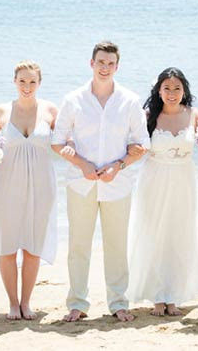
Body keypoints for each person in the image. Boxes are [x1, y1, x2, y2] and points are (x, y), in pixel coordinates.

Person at [51, 41, 150, 322]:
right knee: (78, 245)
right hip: (80, 184)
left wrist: (119, 166)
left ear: (117, 67)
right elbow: (57, 142)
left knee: (116, 246)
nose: (105, 68)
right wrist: (81, 163)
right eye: (100, 62)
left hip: (117, 185)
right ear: (91, 63)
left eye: (110, 64)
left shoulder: (129, 101)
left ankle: (118, 302)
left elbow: (143, 143)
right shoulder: (73, 99)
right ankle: (78, 303)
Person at [0, 60, 59, 320]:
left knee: (33, 247)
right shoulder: (1, 112)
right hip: (7, 187)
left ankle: (26, 303)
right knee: (8, 246)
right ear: (14, 81)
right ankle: (12, 303)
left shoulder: (51, 111)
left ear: (40, 83)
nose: (27, 86)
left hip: (41, 187)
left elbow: (67, 144)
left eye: (32, 81)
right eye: (22, 81)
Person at [127, 67, 198, 317]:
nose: (172, 93)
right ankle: (158, 296)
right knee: (154, 233)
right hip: (154, 180)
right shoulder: (148, 116)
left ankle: (174, 295)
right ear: (158, 90)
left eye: (177, 88)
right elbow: (130, 146)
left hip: (184, 180)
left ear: (184, 91)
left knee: (179, 234)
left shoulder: (193, 115)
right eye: (167, 88)